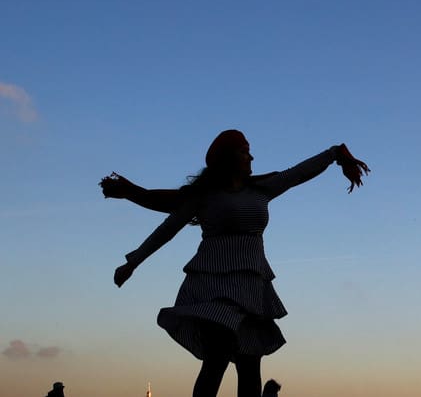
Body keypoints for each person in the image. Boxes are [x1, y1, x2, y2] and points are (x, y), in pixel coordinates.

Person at [110, 130, 369, 397]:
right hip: (213, 285)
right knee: (217, 356)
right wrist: (133, 262)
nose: (251, 156)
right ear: (228, 157)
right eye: (245, 150)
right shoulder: (204, 196)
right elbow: (168, 228)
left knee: (250, 363)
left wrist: (336, 154)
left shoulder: (262, 189)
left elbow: (298, 173)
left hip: (251, 286)